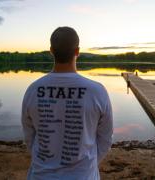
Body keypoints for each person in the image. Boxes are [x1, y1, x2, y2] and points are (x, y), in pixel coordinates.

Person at [22, 26, 113, 180]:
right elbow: (105, 139)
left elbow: (29, 137)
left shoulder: (32, 90)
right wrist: (87, 165)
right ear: (77, 51)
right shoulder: (97, 91)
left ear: (51, 50)